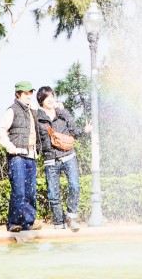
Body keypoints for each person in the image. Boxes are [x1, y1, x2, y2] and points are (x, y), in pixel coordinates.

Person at [36, 86, 91, 232]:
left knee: (75, 186)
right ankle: (59, 224)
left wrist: (84, 131)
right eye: (47, 97)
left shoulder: (62, 113)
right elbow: (36, 139)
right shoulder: (37, 118)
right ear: (41, 100)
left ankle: (71, 217)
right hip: (50, 159)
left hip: (68, 156)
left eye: (52, 96)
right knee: (53, 195)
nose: (50, 99)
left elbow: (73, 130)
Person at [0, 81, 42, 232]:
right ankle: (14, 222)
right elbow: (1, 131)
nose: (29, 96)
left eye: (30, 93)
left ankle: (28, 222)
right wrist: (11, 148)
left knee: (31, 192)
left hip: (31, 155)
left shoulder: (32, 110)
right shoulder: (12, 110)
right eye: (26, 93)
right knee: (19, 191)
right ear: (18, 94)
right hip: (17, 156)